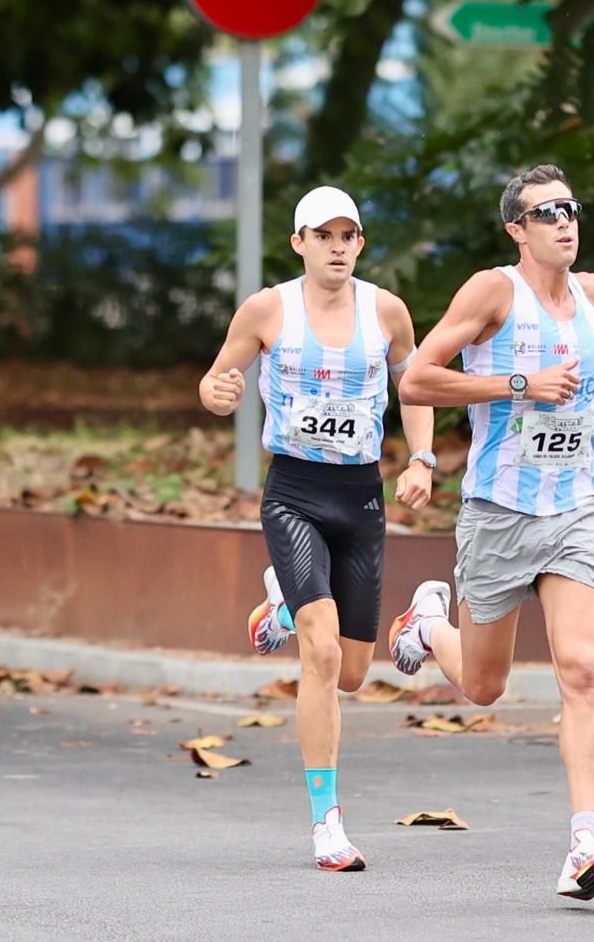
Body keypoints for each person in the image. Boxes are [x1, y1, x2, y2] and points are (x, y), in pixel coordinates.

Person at [387, 164, 594, 901]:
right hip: (500, 513)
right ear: (518, 229)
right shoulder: (491, 292)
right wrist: (515, 385)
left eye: (571, 209)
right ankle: (428, 625)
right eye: (547, 213)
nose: (565, 222)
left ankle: (583, 842)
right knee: (482, 686)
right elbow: (415, 380)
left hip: (574, 512)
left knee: (581, 670)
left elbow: (581, 390)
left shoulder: (593, 295)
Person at [199, 185, 438, 873]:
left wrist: (421, 458)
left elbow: (414, 387)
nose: (336, 247)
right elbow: (218, 379)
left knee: (357, 672)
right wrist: (218, 393)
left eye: (347, 236)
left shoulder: (385, 310)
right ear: (299, 243)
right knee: (323, 655)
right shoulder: (268, 309)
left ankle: (280, 604)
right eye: (322, 235)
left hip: (360, 498)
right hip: (296, 493)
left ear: (360, 244)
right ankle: (326, 823)